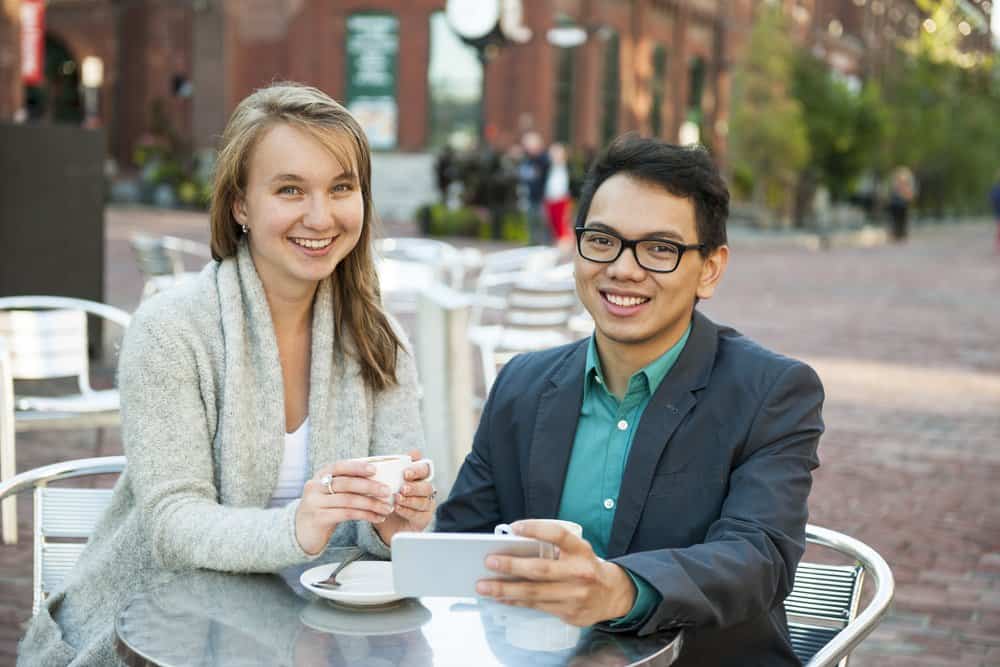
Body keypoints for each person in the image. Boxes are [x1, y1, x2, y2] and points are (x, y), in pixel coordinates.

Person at [18, 82, 436, 665]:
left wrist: (397, 524)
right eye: (290, 189)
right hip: (154, 633)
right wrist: (299, 526)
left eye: (342, 187)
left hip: (322, 637)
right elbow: (173, 523)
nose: (321, 215)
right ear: (240, 204)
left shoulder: (379, 341)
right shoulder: (170, 330)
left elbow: (387, 534)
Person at [436, 134, 825, 666]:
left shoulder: (773, 392)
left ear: (709, 269)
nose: (622, 268)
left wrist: (620, 588)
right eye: (602, 240)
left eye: (660, 249)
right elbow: (461, 546)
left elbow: (758, 558)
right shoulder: (521, 384)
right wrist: (404, 539)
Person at [518, 131, 551, 245]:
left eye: (529, 144)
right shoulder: (528, 159)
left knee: (544, 224)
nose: (527, 148)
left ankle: (545, 247)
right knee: (532, 224)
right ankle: (533, 245)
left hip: (543, 198)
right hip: (531, 197)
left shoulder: (544, 159)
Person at [543, 142, 573, 252]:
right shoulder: (549, 167)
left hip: (561, 199)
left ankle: (565, 245)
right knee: (553, 224)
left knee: (561, 223)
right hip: (550, 199)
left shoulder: (566, 167)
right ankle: (558, 243)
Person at [887, 166, 916, 242]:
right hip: (896, 204)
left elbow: (909, 195)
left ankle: (901, 234)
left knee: (902, 220)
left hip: (902, 204)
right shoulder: (896, 184)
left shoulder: (906, 184)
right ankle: (896, 234)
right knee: (895, 220)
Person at [990, 169, 1000, 253]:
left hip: (997, 212)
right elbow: (993, 199)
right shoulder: (996, 188)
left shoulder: (995, 189)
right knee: (998, 230)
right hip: (998, 212)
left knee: (998, 230)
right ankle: (997, 247)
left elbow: (992, 199)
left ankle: (997, 247)